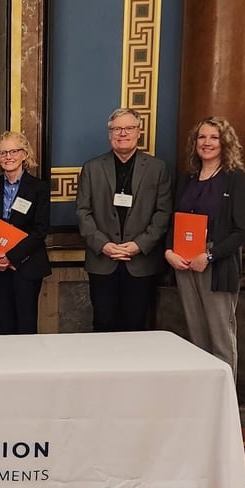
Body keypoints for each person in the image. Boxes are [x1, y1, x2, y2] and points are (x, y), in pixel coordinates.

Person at [164, 118, 245, 376]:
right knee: (196, 335)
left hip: (216, 264)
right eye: (202, 137)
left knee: (220, 336)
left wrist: (210, 256)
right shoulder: (188, 178)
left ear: (225, 142)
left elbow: (242, 231)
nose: (207, 142)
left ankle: (225, 396)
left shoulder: (236, 179)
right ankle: (204, 394)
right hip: (183, 261)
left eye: (214, 137)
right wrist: (169, 251)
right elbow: (173, 219)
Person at [76, 108, 172, 332]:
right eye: (117, 129)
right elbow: (83, 212)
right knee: (103, 324)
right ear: (109, 134)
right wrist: (104, 245)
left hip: (141, 262)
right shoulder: (91, 168)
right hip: (102, 260)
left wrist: (139, 245)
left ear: (139, 132)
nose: (122, 133)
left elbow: (163, 213)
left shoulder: (157, 168)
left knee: (135, 326)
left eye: (129, 128)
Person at [0, 131, 51, 334]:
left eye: (13, 151)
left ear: (24, 154)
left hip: (26, 266)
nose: (8, 157)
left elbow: (40, 230)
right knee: (2, 326)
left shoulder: (39, 188)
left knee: (26, 326)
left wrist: (11, 256)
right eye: (2, 153)